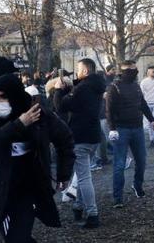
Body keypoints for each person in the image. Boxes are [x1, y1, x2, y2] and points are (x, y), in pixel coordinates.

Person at [0, 72, 75, 242]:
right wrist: (18, 124)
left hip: (24, 189)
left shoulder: (39, 115)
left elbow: (65, 139)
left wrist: (64, 174)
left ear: (15, 97)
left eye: (3, 97)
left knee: (18, 237)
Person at [53, 58, 107, 228]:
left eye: (78, 69)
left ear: (85, 71)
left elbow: (61, 106)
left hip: (81, 136)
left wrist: (58, 91)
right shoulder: (96, 85)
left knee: (83, 178)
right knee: (84, 175)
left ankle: (92, 214)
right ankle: (78, 207)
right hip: (93, 136)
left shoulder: (83, 88)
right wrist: (70, 86)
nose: (76, 72)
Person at [105, 60, 154, 207]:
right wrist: (112, 128)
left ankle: (137, 185)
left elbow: (142, 104)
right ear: (123, 72)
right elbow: (109, 110)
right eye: (131, 70)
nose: (134, 72)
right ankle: (118, 198)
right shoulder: (114, 87)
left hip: (138, 128)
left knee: (141, 161)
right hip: (121, 130)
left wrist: (152, 120)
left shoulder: (136, 86)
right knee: (119, 165)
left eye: (135, 69)